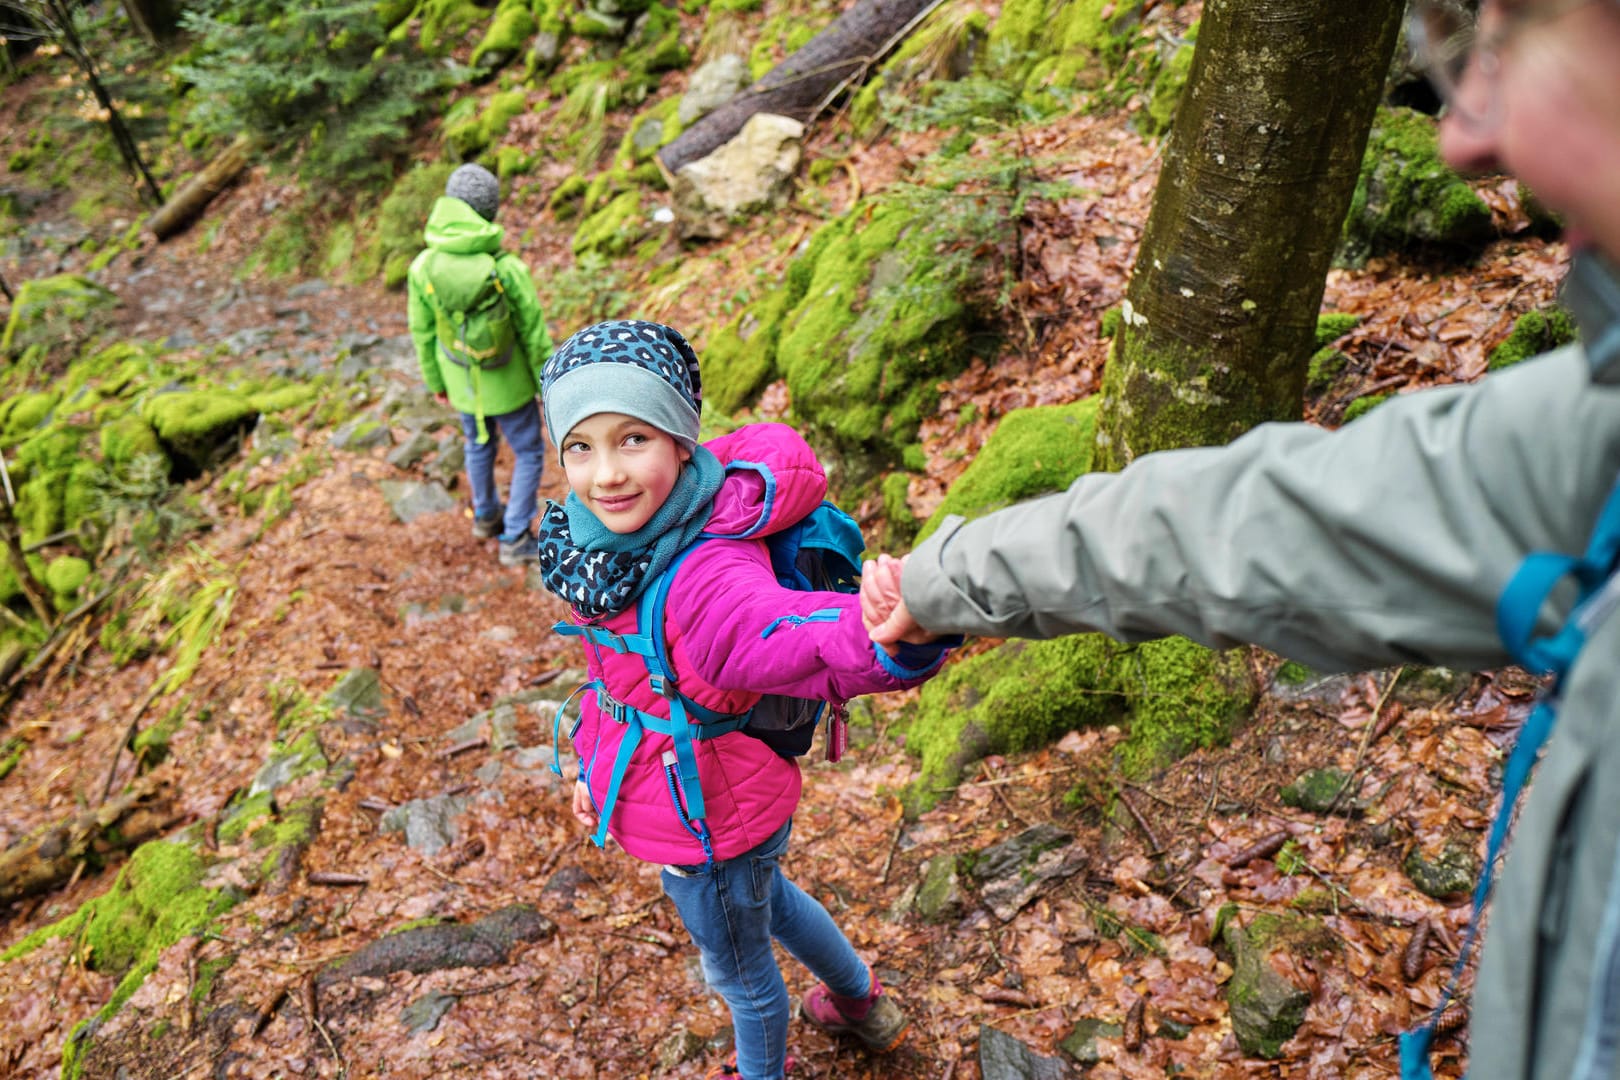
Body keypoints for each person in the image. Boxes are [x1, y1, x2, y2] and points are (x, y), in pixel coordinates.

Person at [860, 2, 1620, 1078]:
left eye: (1514, 35)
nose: (1463, 137)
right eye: (1461, 48)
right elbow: (1263, 518)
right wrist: (948, 577)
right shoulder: (1599, 432)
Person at [537, 320, 954, 1080]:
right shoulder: (614, 547)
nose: (605, 475)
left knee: (740, 973)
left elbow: (793, 636)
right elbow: (626, 685)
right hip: (721, 794)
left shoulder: (700, 576)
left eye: (634, 438)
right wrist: (596, 776)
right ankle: (861, 1003)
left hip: (711, 821)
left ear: (681, 441)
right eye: (581, 446)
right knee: (774, 901)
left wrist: (888, 632)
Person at [407, 162, 553, 566]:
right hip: (509, 385)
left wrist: (436, 380)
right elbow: (534, 333)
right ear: (489, 212)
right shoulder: (506, 268)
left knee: (477, 443)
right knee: (528, 452)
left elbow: (422, 332)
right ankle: (516, 535)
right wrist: (547, 381)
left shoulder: (423, 268)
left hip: (461, 383)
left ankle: (486, 516)